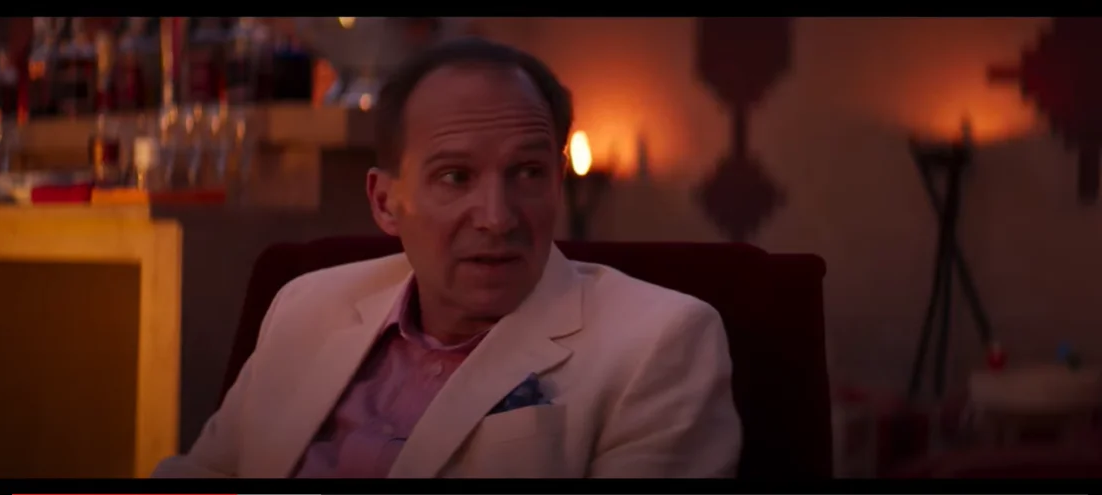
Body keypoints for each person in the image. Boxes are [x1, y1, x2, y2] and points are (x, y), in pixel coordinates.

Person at [153, 37, 741, 479]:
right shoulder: (306, 304)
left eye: (528, 173)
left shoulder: (660, 342)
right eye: (456, 177)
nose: (498, 217)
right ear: (385, 203)